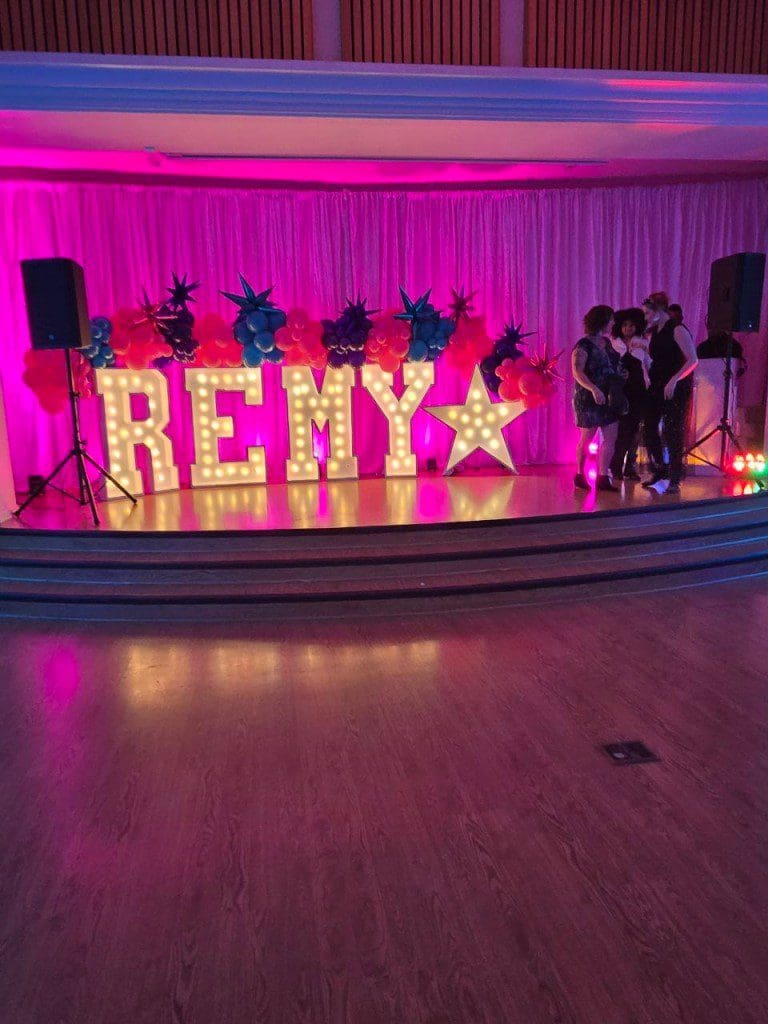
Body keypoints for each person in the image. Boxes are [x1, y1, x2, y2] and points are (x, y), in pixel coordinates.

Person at [642, 291, 699, 494]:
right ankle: (659, 467)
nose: (646, 317)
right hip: (658, 383)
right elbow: (657, 358)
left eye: (648, 313)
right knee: (649, 427)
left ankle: (675, 476)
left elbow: (693, 360)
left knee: (672, 430)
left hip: (675, 385)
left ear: (659, 310)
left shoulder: (677, 329)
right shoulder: (656, 331)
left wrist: (674, 380)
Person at [571, 305, 626, 492]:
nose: (613, 323)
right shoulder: (583, 345)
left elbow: (611, 365)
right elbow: (577, 371)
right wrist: (593, 389)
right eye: (611, 319)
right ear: (602, 321)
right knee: (587, 437)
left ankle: (603, 476)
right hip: (589, 397)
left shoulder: (606, 342)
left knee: (611, 437)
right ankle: (580, 474)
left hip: (609, 395)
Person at [609, 308, 651, 481]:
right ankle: (616, 465)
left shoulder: (643, 342)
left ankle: (630, 467)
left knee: (635, 429)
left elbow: (649, 364)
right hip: (620, 390)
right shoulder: (613, 343)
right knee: (621, 430)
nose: (628, 328)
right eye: (625, 325)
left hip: (638, 389)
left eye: (632, 325)